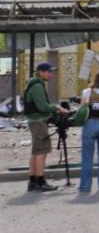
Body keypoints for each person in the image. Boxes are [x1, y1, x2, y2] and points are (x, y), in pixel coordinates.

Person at [23, 62, 69, 193]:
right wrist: (58, 108)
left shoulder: (34, 83)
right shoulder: (37, 85)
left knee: (35, 152)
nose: (51, 74)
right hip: (38, 122)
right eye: (49, 72)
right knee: (41, 153)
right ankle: (40, 182)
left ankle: (32, 182)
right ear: (41, 72)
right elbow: (43, 106)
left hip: (35, 121)